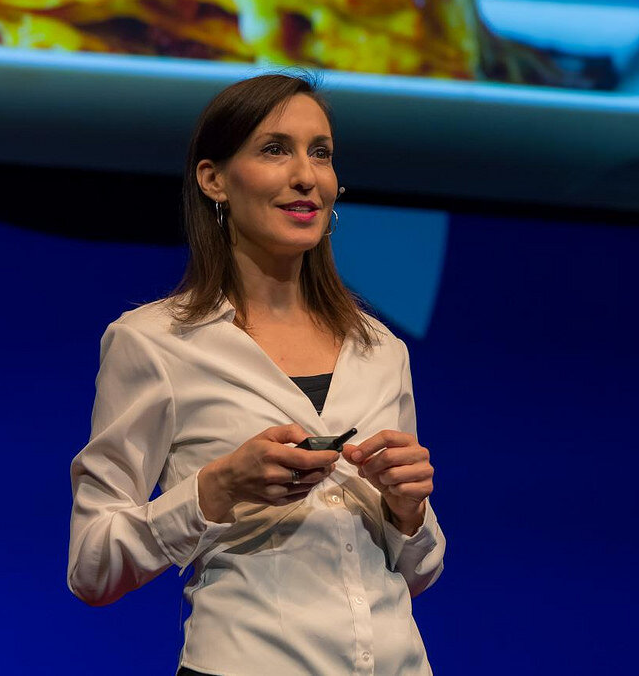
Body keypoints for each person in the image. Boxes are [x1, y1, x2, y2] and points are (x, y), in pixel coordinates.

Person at [67, 72, 445, 675]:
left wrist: (408, 510)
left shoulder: (380, 349)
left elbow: (420, 570)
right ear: (214, 179)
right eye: (276, 149)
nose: (306, 176)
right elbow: (92, 567)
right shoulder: (154, 343)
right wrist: (216, 490)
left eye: (320, 153)